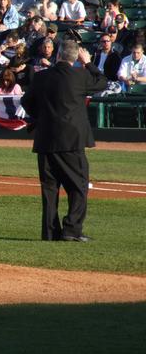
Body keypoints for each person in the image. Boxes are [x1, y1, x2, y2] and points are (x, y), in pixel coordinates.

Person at [21, 40, 107, 242]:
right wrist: (88, 63)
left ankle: (50, 232)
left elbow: (26, 102)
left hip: (45, 138)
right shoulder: (80, 75)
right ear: (76, 57)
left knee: (50, 189)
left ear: (58, 54)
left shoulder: (41, 76)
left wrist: (41, 117)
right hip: (71, 140)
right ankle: (71, 229)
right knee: (79, 185)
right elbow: (102, 82)